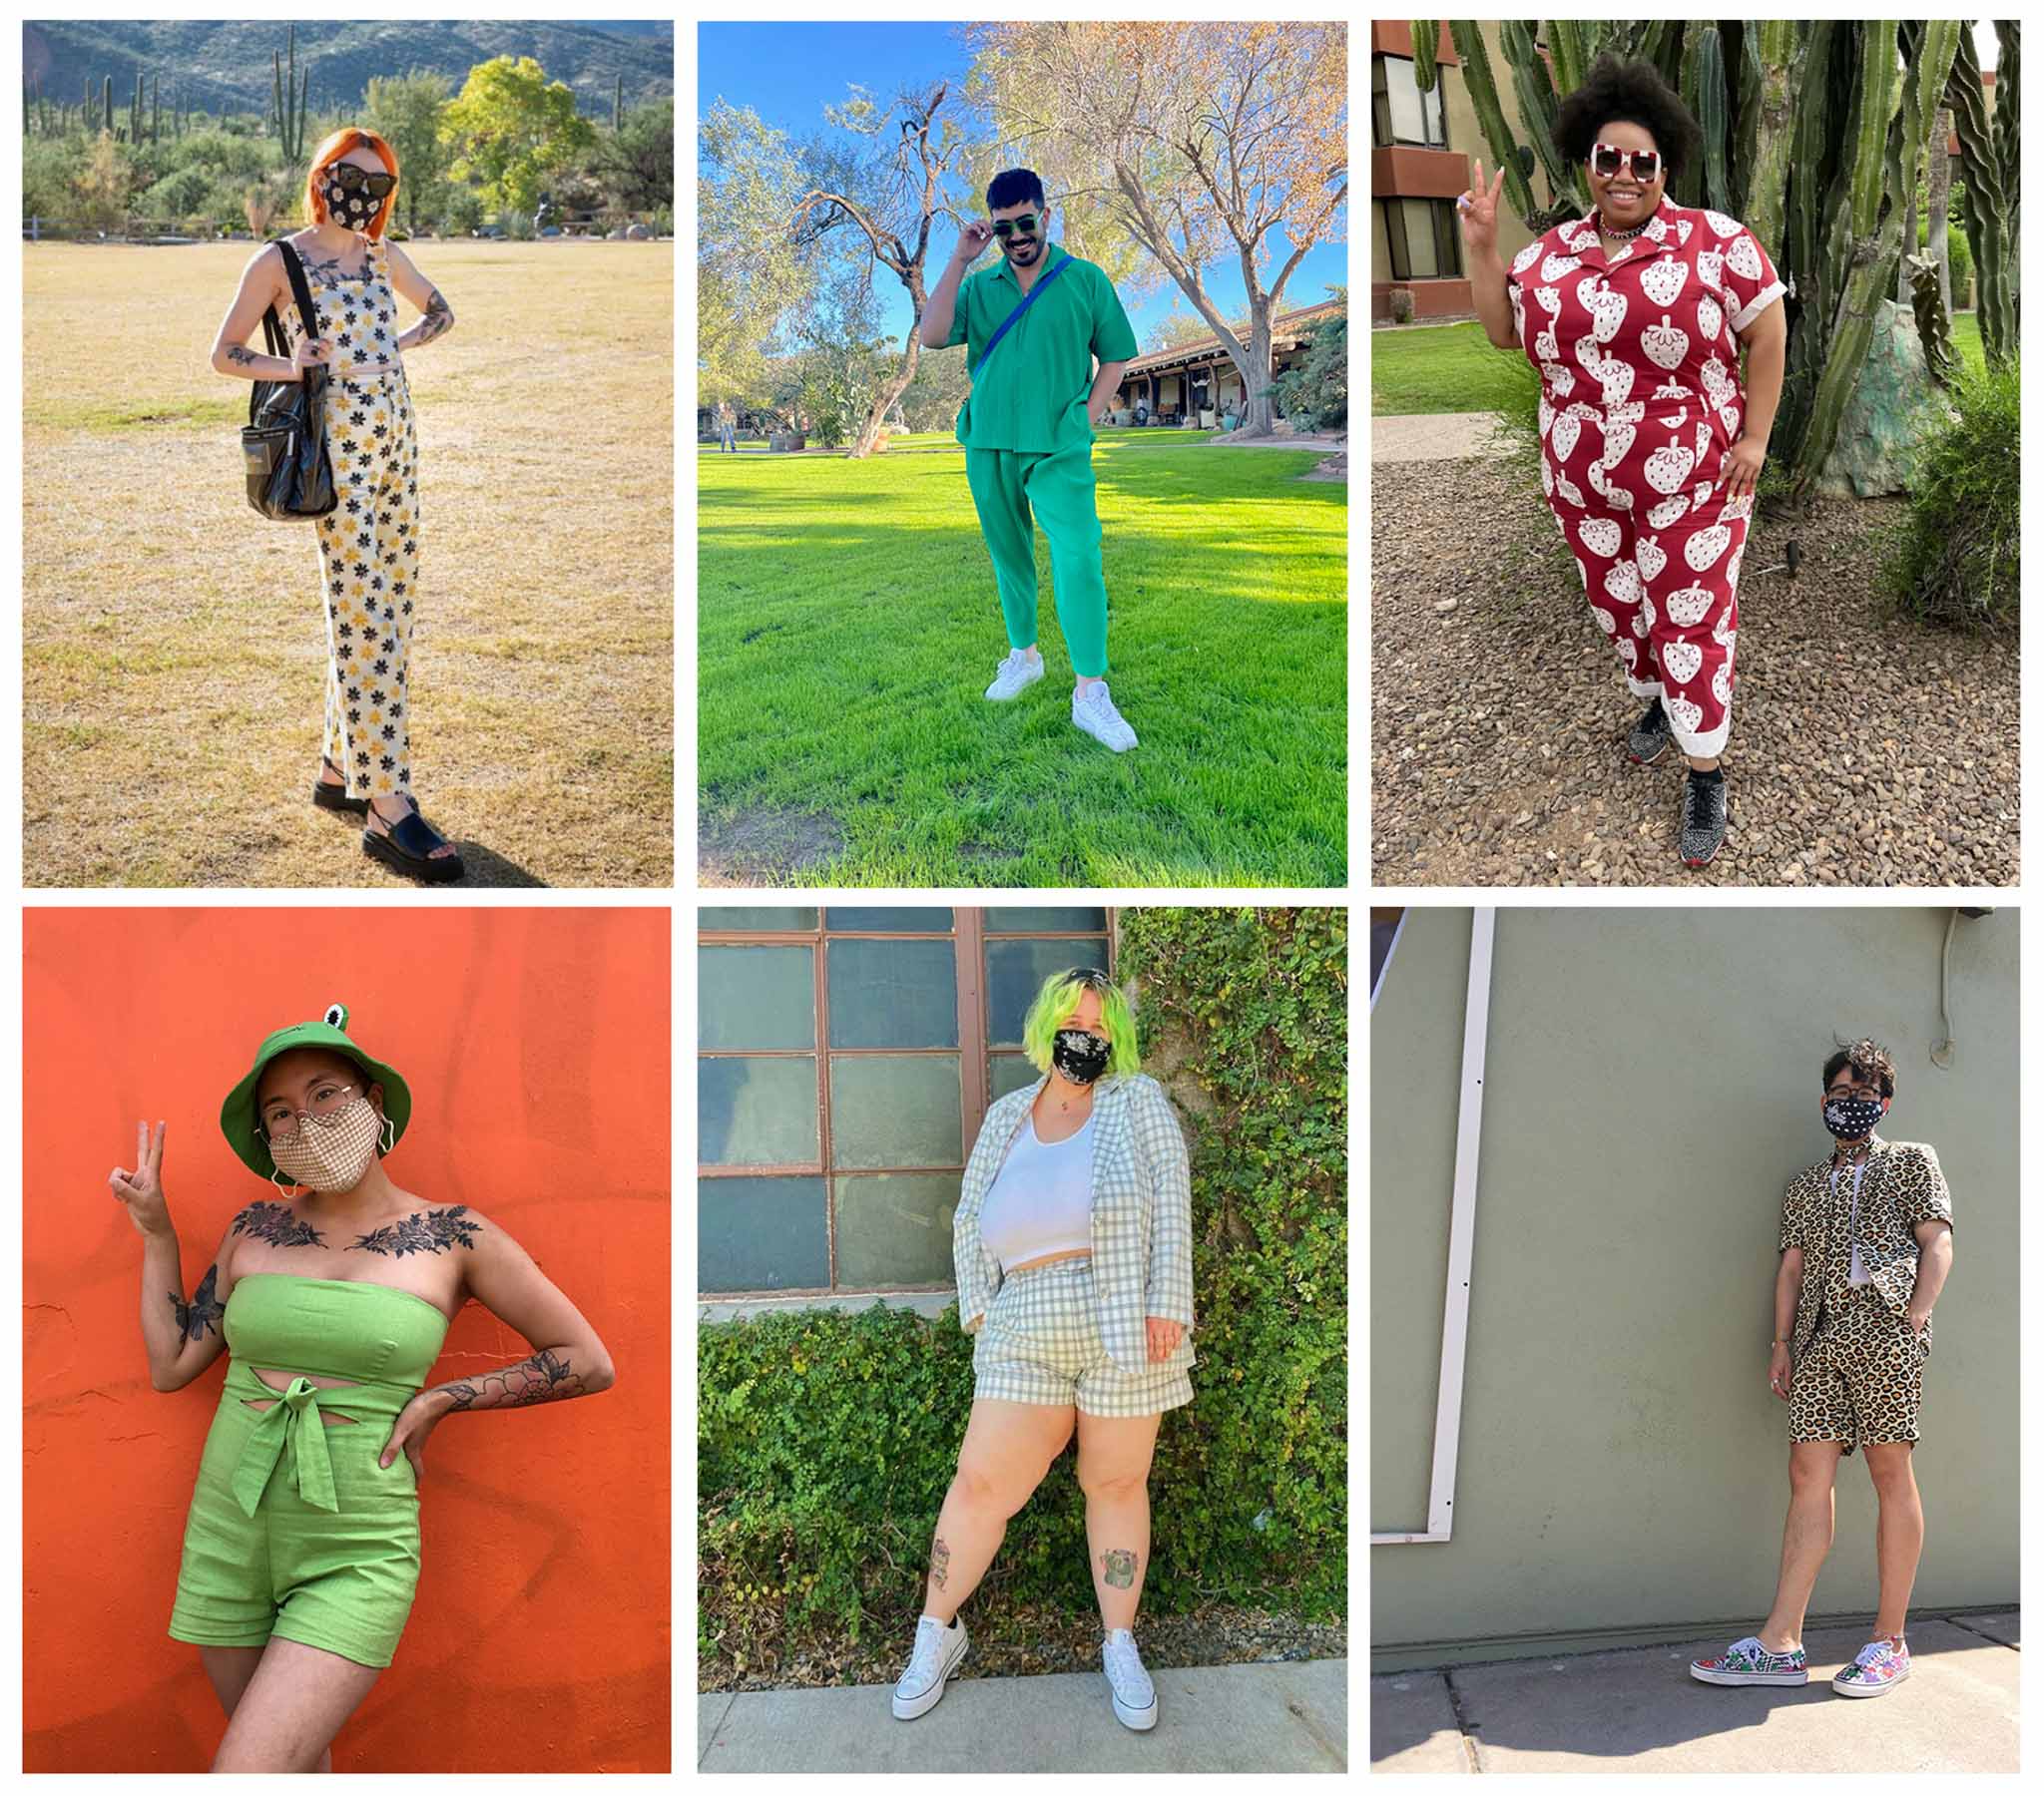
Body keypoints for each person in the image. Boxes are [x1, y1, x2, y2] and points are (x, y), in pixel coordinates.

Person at [109, 1002, 616, 1771]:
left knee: (246, 1773)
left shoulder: (454, 1236)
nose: (304, 1120)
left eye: (324, 1094)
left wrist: (445, 1398)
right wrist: (158, 1235)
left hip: (357, 1544)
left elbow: (587, 1357)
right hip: (228, 1529)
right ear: (268, 1141)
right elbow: (172, 1365)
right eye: (280, 1112)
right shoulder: (253, 1230)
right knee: (298, 1771)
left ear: (373, 1102)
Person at [1460, 56, 1788, 869]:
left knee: (1690, 616)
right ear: (1586, 162)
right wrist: (1479, 245)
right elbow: (1505, 330)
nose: (1625, 174)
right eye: (1609, 158)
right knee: (1621, 608)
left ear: (1664, 166)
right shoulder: (1550, 257)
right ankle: (1657, 702)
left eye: (1642, 161)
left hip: (1695, 483)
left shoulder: (1716, 243)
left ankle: (1705, 769)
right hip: (1584, 484)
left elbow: (1768, 330)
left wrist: (1755, 439)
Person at [891, 968, 1196, 1731]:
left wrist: (1169, 1305)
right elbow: (969, 1220)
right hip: (1024, 1314)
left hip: (1121, 1311)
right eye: (1071, 1023)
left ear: (1114, 1039)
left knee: (1117, 1482)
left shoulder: (1137, 1105)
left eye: (1097, 1029)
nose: (1082, 1039)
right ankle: (937, 1632)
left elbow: (1173, 1200)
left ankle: (1119, 1641)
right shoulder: (1005, 1118)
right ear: (1045, 1029)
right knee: (981, 1481)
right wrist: (982, 1314)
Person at [209, 129, 464, 883]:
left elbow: (442, 311)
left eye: (379, 185)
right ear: (323, 177)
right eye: (351, 177)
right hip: (336, 457)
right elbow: (223, 352)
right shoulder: (280, 261)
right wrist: (292, 361)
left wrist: (399, 346)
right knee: (365, 617)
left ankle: (334, 768)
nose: (363, 194)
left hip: (399, 448)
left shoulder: (385, 256)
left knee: (395, 609)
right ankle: (387, 803)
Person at [1691, 1038, 1955, 1698]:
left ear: (1884, 1103)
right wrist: (1782, 1343)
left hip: (1884, 1328)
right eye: (1840, 1096)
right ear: (1824, 1102)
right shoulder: (1807, 1183)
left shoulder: (1913, 1161)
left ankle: (1889, 1641)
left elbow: (1938, 1240)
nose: (1851, 1106)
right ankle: (1781, 1643)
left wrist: (1914, 1318)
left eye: (1864, 1097)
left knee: (1890, 1469)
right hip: (1817, 1339)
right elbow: (1792, 1268)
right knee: (1807, 1474)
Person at [919, 170, 1143, 752]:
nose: (1016, 236)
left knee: (1078, 556)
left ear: (1045, 216)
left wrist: (1086, 417)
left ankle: (1090, 692)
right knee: (1009, 555)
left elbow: (1116, 357)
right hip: (989, 439)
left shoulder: (1085, 280)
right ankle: (1024, 657)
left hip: (1058, 446)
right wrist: (960, 260)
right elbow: (932, 334)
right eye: (1003, 228)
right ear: (992, 229)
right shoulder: (980, 285)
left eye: (1025, 222)